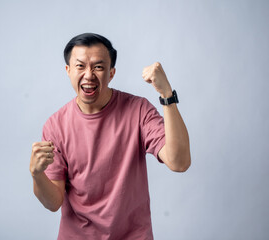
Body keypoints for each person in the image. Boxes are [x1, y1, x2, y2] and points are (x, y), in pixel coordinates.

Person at [29, 33, 191, 240]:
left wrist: (167, 94)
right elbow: (53, 203)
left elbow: (180, 162)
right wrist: (37, 175)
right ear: (68, 71)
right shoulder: (55, 125)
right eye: (80, 66)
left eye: (98, 67)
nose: (89, 75)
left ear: (111, 73)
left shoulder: (138, 110)